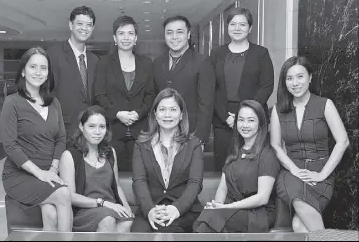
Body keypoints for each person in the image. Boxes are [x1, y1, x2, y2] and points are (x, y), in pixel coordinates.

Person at [270, 56, 349, 232]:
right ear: (284, 82)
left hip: (321, 171)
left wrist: (322, 175)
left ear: (310, 77)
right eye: (289, 78)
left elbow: (343, 141)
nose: (295, 83)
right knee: (297, 198)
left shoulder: (325, 104)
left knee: (299, 225)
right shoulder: (278, 110)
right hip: (291, 172)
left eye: (300, 76)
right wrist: (294, 170)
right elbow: (275, 145)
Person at [0, 47, 72, 231]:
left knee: (51, 214)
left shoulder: (54, 103)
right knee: (63, 194)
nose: (38, 72)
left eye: (43, 68)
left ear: (48, 73)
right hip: (20, 176)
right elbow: (10, 145)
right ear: (23, 71)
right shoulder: (12, 102)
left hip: (48, 173)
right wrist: (40, 174)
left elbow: (61, 139)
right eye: (33, 67)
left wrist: (53, 169)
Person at [193, 100, 280, 233]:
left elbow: (262, 197)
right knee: (204, 219)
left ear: (260, 124)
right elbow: (222, 189)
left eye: (251, 120)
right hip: (231, 211)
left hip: (257, 214)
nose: (245, 125)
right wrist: (218, 206)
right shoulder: (234, 151)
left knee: (205, 225)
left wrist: (228, 208)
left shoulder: (267, 154)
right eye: (241, 120)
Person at [131, 88, 204, 233]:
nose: (167, 115)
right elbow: (139, 181)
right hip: (151, 208)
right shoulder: (141, 144)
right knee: (138, 233)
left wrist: (176, 208)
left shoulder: (193, 144)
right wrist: (150, 210)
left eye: (173, 110)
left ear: (181, 114)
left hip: (184, 211)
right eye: (162, 109)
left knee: (167, 230)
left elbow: (195, 183)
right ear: (155, 114)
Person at [210, 7, 274, 171]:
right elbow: (211, 88)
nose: (237, 28)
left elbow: (266, 86)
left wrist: (243, 114)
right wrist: (226, 117)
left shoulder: (261, 53)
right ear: (227, 27)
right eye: (233, 24)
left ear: (250, 28)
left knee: (253, 166)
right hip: (223, 118)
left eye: (242, 24)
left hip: (253, 115)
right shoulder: (216, 53)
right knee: (224, 166)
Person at [59, 105, 134, 232]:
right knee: (108, 220)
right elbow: (70, 196)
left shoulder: (110, 152)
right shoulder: (69, 156)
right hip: (84, 211)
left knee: (126, 222)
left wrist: (127, 208)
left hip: (111, 207)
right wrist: (102, 203)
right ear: (81, 127)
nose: (97, 132)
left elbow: (118, 186)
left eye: (102, 127)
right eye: (92, 126)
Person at [94, 15, 155, 172]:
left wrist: (138, 113)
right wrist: (117, 114)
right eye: (121, 33)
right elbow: (99, 95)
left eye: (130, 33)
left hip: (141, 131)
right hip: (112, 131)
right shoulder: (104, 63)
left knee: (142, 175)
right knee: (112, 176)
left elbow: (150, 94)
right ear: (115, 38)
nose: (126, 37)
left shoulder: (146, 63)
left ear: (136, 38)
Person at [152, 15, 215, 147]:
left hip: (191, 134)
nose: (174, 37)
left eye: (179, 32)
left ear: (188, 34)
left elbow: (206, 104)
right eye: (169, 33)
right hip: (162, 134)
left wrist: (200, 138)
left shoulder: (202, 62)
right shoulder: (157, 63)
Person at [47, 6, 99, 139]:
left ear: (92, 28)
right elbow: (45, 93)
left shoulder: (95, 60)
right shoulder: (53, 55)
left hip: (90, 130)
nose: (84, 28)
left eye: (89, 25)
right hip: (62, 129)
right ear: (71, 25)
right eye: (79, 24)